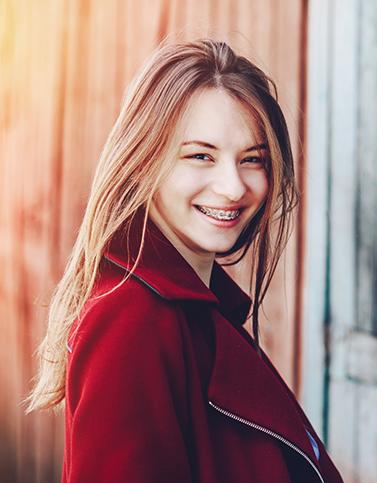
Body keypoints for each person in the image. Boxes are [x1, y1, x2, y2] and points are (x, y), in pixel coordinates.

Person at [27, 38, 343, 482]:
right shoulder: (130, 320)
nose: (233, 187)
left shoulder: (198, 309)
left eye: (253, 159)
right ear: (143, 161)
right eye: (200, 156)